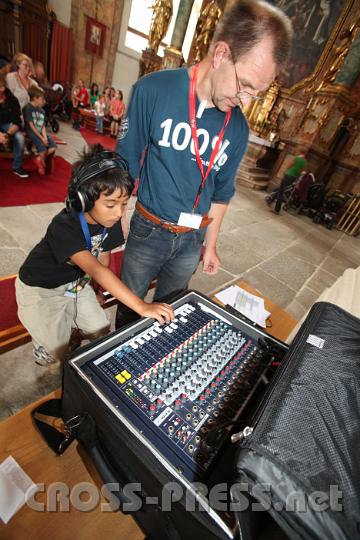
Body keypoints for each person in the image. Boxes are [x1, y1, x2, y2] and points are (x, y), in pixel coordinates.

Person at [115, 0, 293, 327]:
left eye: (257, 94)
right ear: (222, 54)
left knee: (171, 311)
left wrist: (210, 247)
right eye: (245, 86)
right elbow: (125, 162)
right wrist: (117, 216)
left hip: (191, 240)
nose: (246, 101)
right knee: (131, 307)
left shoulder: (237, 128)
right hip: (148, 229)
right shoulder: (153, 90)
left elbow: (221, 194)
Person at [15, 145, 174, 366]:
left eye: (124, 204)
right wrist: (142, 306)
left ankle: (70, 327)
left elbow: (103, 261)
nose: (119, 213)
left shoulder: (110, 221)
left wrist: (95, 290)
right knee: (58, 352)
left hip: (76, 283)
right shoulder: (64, 227)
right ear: (84, 200)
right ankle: (46, 345)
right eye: (110, 204)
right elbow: (97, 269)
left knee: (100, 328)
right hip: (41, 289)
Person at [0, 72, 29, 178]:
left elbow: (17, 122)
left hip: (7, 125)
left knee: (20, 138)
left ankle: (17, 167)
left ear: (3, 87)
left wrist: (6, 135)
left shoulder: (12, 99)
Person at [23, 86, 57, 175]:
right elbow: (31, 125)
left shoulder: (41, 110)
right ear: (35, 98)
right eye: (42, 98)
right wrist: (42, 138)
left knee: (53, 147)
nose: (44, 101)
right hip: (31, 131)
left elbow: (42, 126)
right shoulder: (27, 108)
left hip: (41, 133)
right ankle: (41, 165)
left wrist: (45, 137)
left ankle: (38, 159)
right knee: (43, 150)